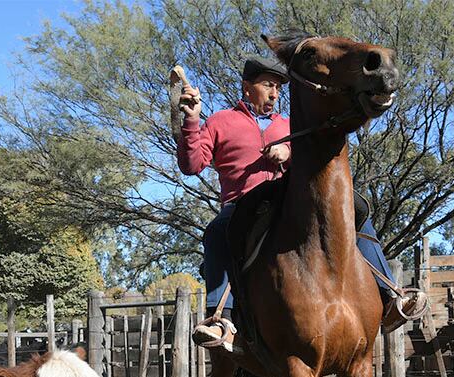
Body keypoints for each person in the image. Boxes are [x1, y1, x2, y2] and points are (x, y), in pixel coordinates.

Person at [176, 55, 426, 353]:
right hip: (244, 204)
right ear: (246, 87)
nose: (274, 93)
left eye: (279, 88)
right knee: (217, 232)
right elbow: (192, 165)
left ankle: (389, 298)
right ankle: (221, 317)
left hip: (292, 201)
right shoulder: (220, 122)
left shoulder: (290, 125)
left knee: (355, 210)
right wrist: (192, 120)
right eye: (268, 85)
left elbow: (318, 159)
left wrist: (290, 153)